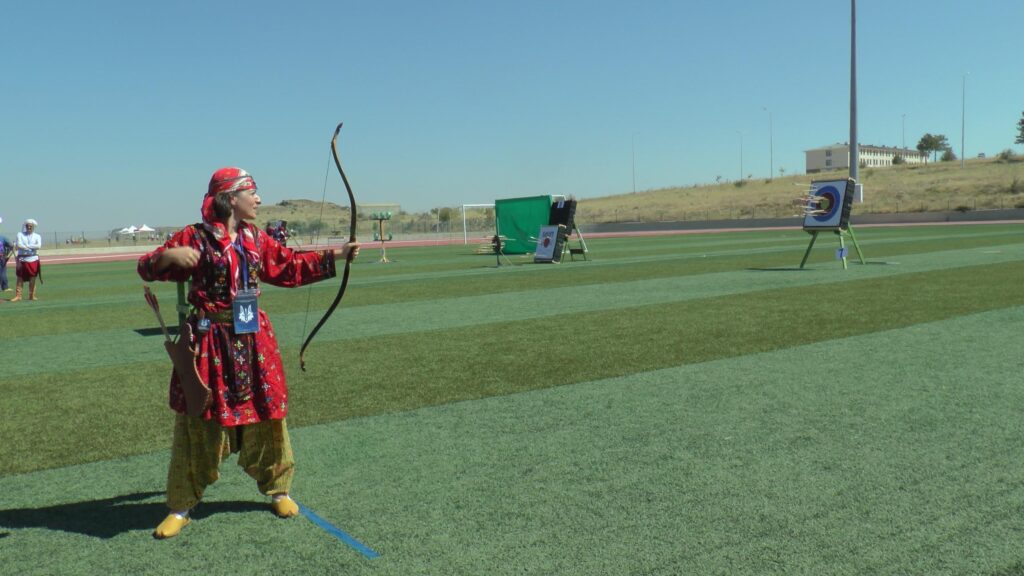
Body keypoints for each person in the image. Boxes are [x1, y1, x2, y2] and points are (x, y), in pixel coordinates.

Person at [137, 167, 360, 539]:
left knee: (269, 413)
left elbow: (287, 266)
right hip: (209, 341)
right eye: (252, 193)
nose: (258, 200)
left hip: (254, 339)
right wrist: (168, 256)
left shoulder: (255, 237)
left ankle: (279, 489)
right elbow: (147, 267)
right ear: (229, 198)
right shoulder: (194, 236)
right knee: (199, 416)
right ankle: (181, 504)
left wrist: (336, 255)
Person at [11, 219, 42, 302]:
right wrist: (30, 247)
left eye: (30, 226)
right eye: (27, 226)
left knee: (33, 277)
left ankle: (32, 295)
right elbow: (19, 245)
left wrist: (26, 246)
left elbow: (38, 246)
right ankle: (18, 296)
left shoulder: (37, 236)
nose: (29, 227)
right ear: (25, 226)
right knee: (20, 277)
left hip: (33, 259)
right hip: (22, 259)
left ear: (33, 227)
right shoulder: (20, 234)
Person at [0, 217, 13, 293]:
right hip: (2, 257)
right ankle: (5, 287)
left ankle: (5, 287)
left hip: (1, 258)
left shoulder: (3, 237)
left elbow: (11, 246)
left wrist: (7, 255)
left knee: (3, 272)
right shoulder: (3, 237)